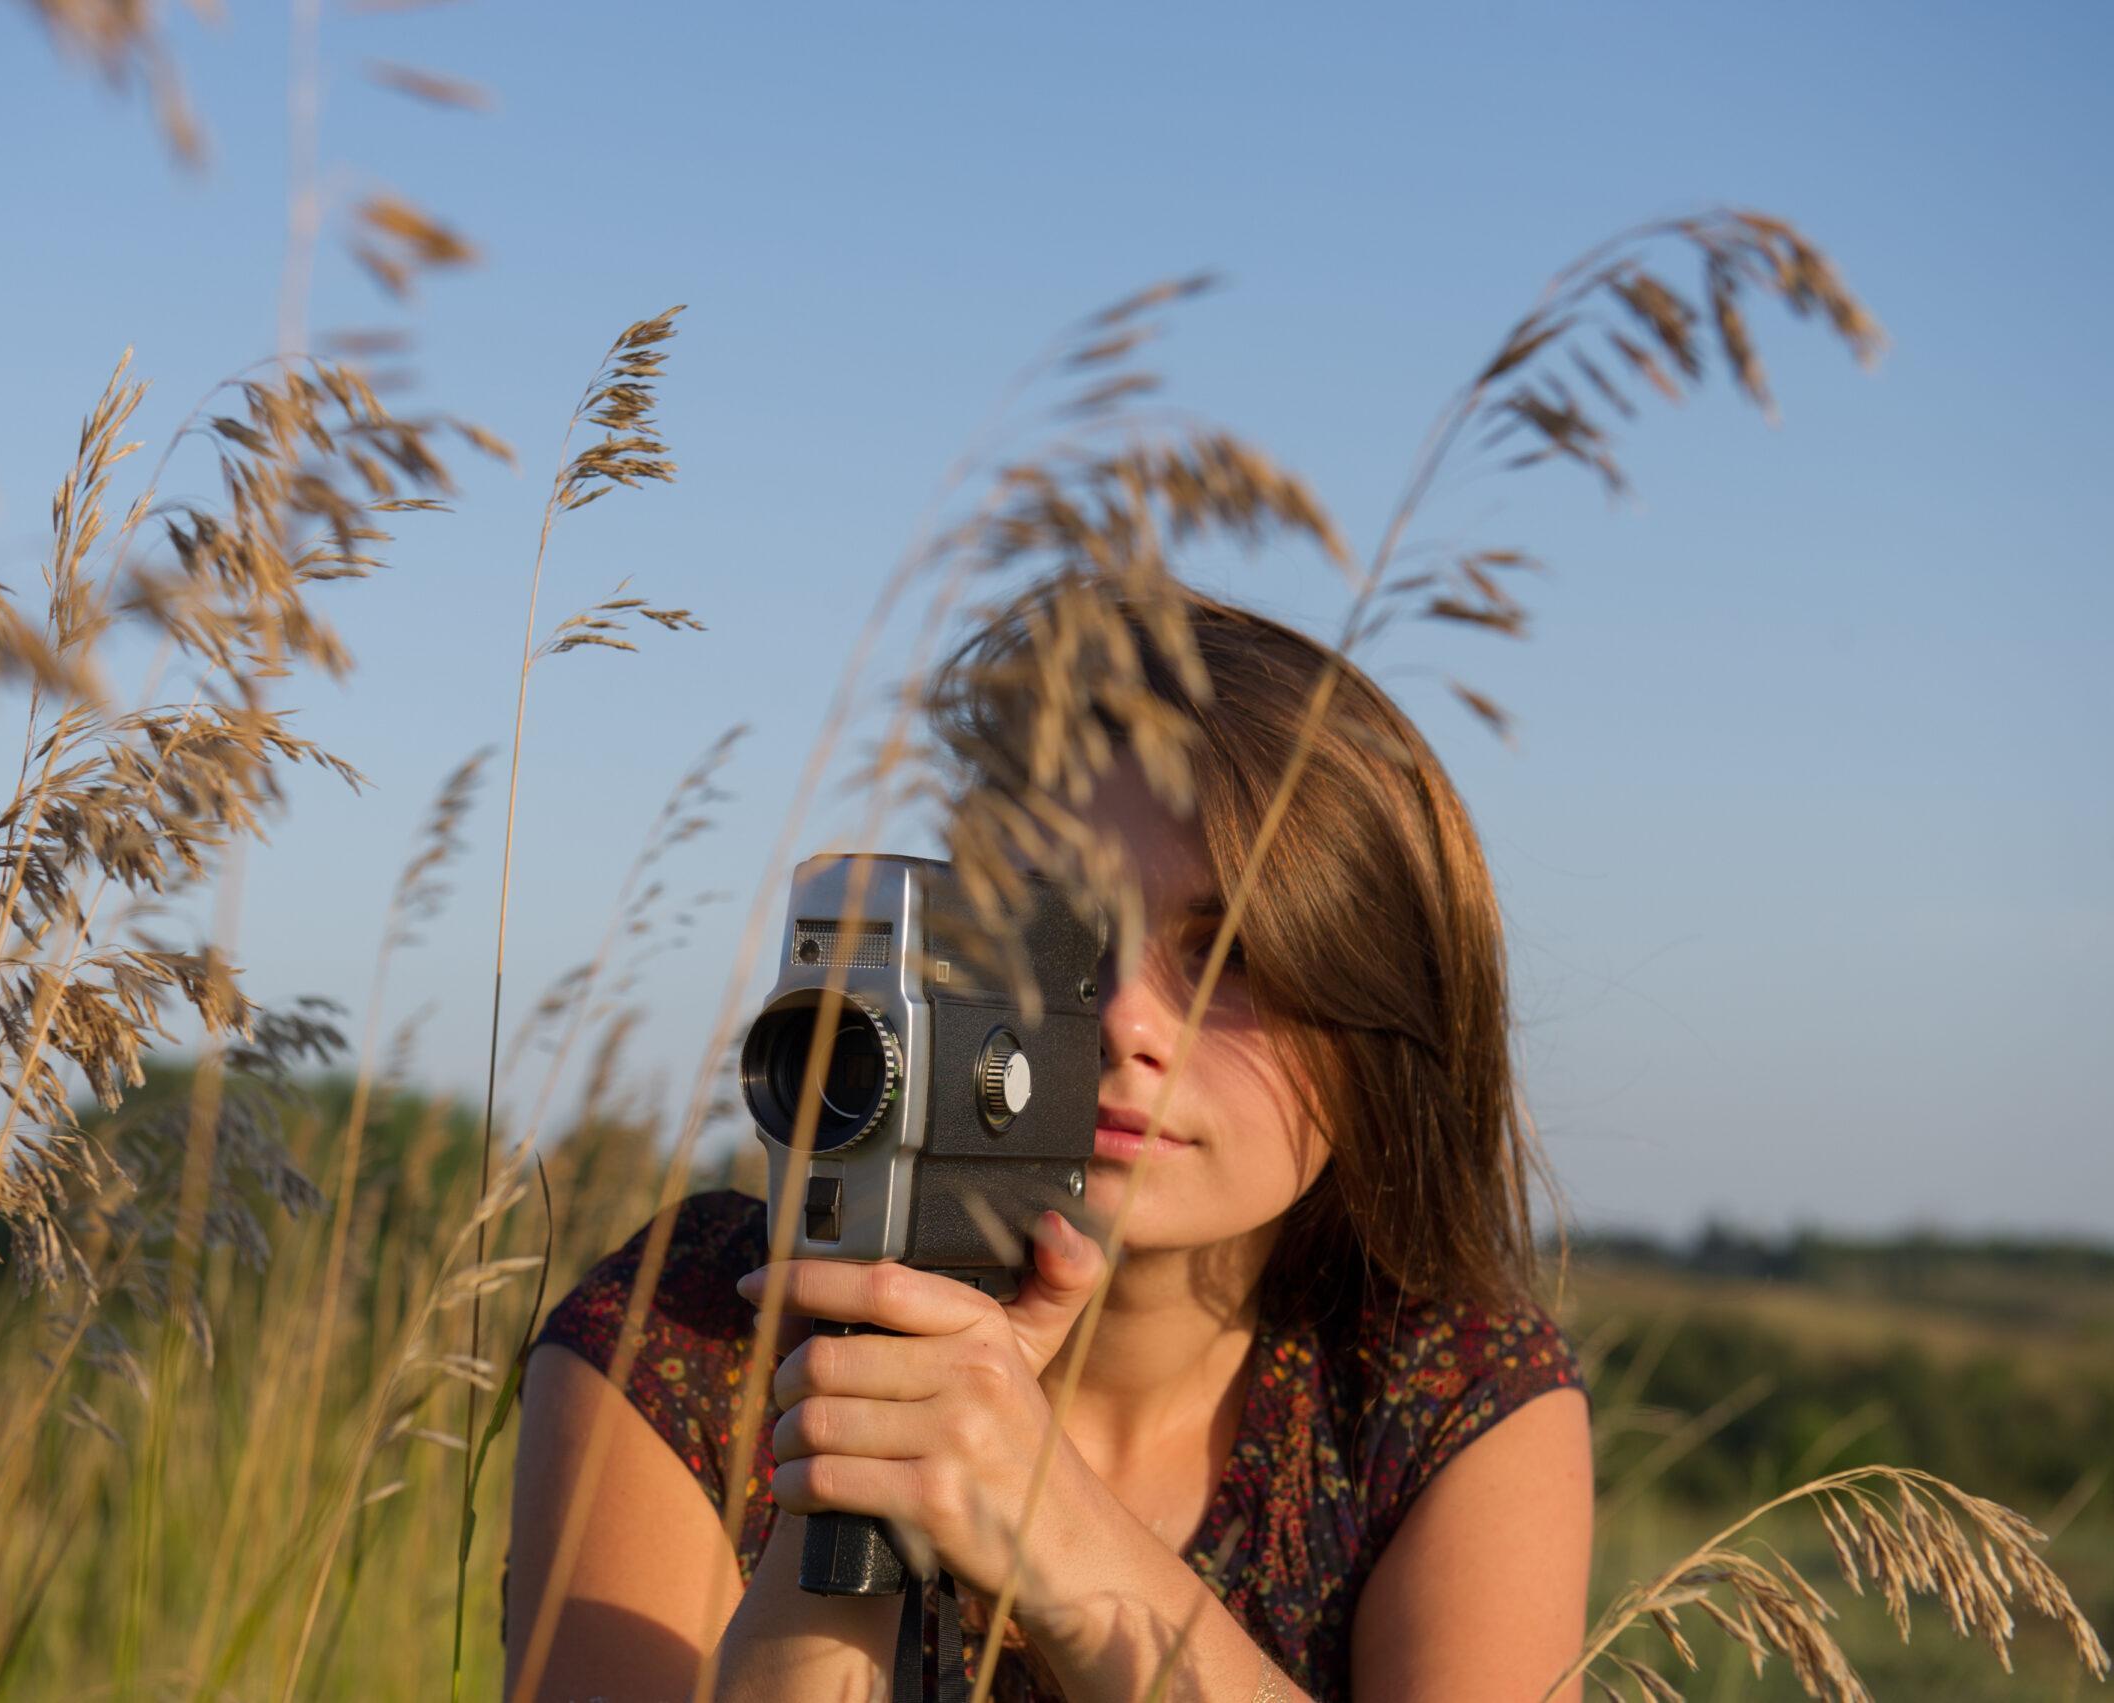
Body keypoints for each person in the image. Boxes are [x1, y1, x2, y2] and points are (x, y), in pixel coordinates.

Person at [505, 577, 1594, 1702]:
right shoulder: (691, 1333)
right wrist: (851, 1509)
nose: (1124, 1018)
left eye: (1240, 957)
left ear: (1392, 1036)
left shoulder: (1436, 1395)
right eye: (1063, 929)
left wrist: (1053, 1527)